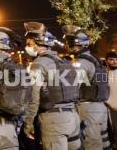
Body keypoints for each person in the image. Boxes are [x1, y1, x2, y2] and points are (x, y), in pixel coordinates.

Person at [23, 22, 81, 150]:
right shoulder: (65, 62)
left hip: (54, 120)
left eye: (29, 43)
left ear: (36, 43)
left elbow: (34, 97)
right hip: (73, 117)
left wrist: (28, 124)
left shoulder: (39, 64)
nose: (27, 47)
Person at [62, 25, 111, 149]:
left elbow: (71, 86)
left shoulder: (81, 63)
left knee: (91, 144)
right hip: (101, 107)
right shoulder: (95, 59)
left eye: (67, 42)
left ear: (74, 43)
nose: (65, 45)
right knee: (103, 142)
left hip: (88, 108)